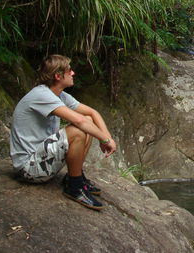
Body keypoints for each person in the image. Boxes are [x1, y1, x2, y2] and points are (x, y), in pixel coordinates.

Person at [9, 54, 117, 211]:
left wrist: (106, 138)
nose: (73, 73)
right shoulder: (41, 95)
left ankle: (75, 176)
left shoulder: (60, 96)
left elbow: (92, 113)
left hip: (42, 160)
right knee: (78, 130)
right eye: (69, 71)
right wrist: (105, 140)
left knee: (86, 120)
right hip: (28, 169)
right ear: (58, 76)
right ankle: (75, 186)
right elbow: (80, 122)